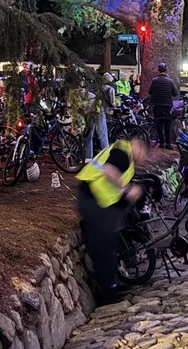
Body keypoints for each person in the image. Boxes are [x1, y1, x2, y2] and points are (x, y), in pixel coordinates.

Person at [76, 138, 146, 300]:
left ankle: (112, 282)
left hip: (99, 199)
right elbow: (109, 171)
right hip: (92, 196)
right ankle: (107, 290)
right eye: (143, 152)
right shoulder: (122, 151)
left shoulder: (127, 157)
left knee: (108, 242)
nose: (142, 157)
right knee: (102, 245)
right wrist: (128, 189)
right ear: (137, 145)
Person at [147, 62, 177, 149]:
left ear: (158, 70)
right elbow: (175, 93)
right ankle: (168, 144)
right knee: (167, 125)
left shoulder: (154, 80)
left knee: (159, 125)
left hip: (157, 106)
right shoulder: (170, 81)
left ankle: (161, 143)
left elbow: (150, 92)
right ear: (166, 70)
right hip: (167, 106)